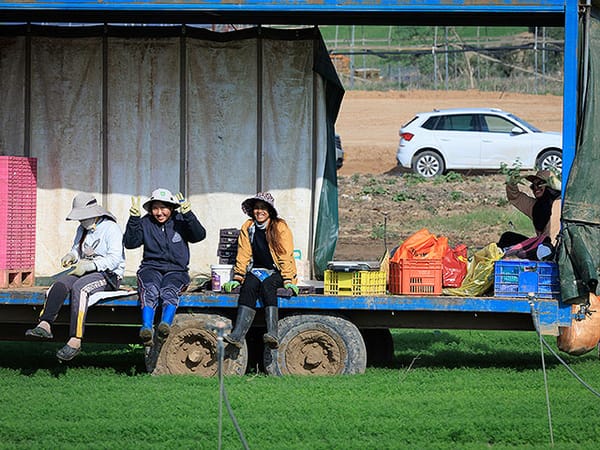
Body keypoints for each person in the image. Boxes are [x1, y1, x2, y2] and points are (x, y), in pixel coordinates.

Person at [25, 193, 126, 361]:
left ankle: (75, 339)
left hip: (108, 275)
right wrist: (71, 256)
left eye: (83, 217)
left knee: (81, 288)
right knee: (60, 284)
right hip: (84, 270)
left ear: (94, 213)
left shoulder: (111, 228)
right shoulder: (82, 229)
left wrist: (91, 265)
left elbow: (114, 260)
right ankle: (45, 324)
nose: (81, 221)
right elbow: (76, 250)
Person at [123, 188, 206, 345]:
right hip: (150, 268)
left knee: (169, 291)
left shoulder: (181, 220)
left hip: (177, 270)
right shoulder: (145, 222)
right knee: (150, 289)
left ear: (172, 208)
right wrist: (134, 219)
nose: (159, 213)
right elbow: (130, 243)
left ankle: (164, 325)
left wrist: (189, 215)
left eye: (164, 208)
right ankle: (146, 328)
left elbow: (199, 235)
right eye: (155, 208)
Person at [222, 192, 298, 349]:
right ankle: (238, 335)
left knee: (268, 286)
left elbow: (285, 254)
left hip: (276, 270)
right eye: (256, 208)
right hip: (257, 269)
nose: (259, 211)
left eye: (263, 208)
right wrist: (237, 277)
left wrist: (289, 279)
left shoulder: (279, 226)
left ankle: (273, 333)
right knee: (248, 286)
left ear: (270, 211)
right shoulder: (248, 227)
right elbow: (243, 253)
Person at [499, 169, 562, 258]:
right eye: (533, 186)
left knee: (544, 247)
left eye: (540, 184)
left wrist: (560, 187)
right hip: (539, 245)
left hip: (554, 249)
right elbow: (515, 197)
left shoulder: (561, 202)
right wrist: (512, 184)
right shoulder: (535, 206)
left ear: (550, 185)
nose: (536, 188)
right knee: (507, 237)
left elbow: (573, 197)